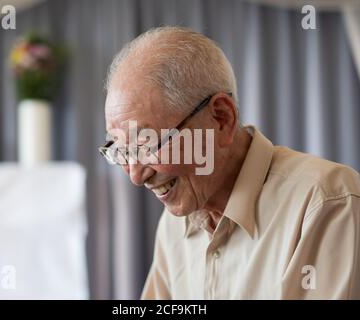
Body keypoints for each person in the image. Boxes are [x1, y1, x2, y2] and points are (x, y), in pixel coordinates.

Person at [100, 26, 360, 299]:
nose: (135, 176)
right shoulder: (175, 223)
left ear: (222, 118)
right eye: (120, 149)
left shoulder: (328, 202)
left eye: (147, 144)